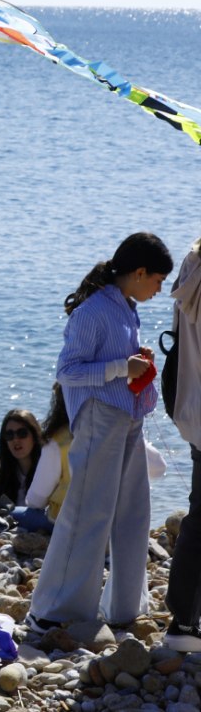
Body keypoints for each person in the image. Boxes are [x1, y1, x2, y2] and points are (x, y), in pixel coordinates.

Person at [25, 232, 172, 636]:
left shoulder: (125, 306)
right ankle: (53, 611)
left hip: (127, 418)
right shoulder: (92, 311)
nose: (159, 289)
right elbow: (67, 372)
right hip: (99, 419)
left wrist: (135, 365)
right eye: (157, 280)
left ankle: (124, 607)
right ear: (139, 272)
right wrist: (122, 367)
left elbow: (115, 364)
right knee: (87, 513)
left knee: (132, 513)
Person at [165, 237, 201, 650]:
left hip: (194, 410)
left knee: (200, 517)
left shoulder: (192, 265)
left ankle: (184, 622)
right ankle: (184, 625)